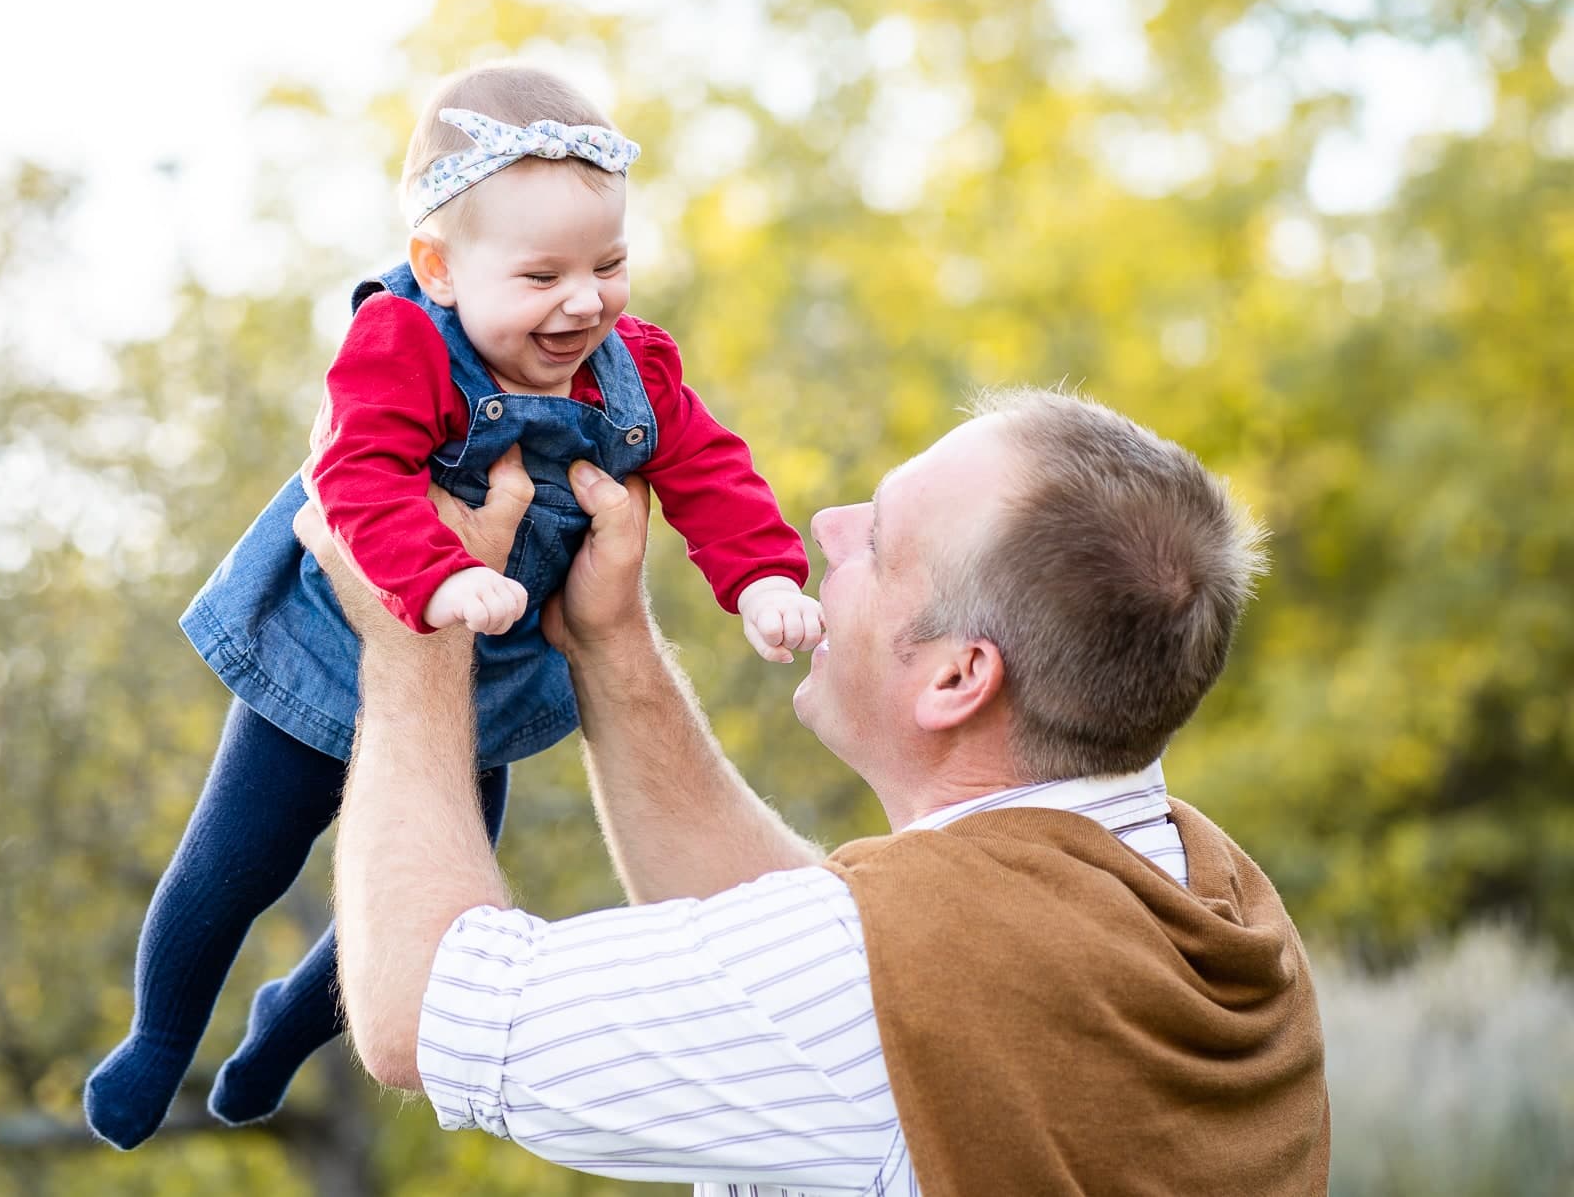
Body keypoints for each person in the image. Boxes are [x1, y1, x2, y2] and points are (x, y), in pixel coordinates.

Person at [312, 388, 1331, 1195]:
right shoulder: (1199, 886)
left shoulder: (878, 976)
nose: (827, 527)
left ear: (954, 680)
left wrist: (413, 643)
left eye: (877, 544)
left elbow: (419, 1009)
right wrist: (607, 641)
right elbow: (832, 946)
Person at [83, 64, 825, 1147]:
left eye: (608, 264)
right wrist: (434, 577)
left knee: (439, 886)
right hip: (330, 652)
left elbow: (707, 468)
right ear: (437, 266)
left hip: (486, 673)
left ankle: (290, 1023)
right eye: (540, 275)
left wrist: (759, 575)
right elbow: (357, 478)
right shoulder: (399, 344)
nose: (583, 302)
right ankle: (156, 1038)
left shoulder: (632, 370)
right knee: (236, 861)